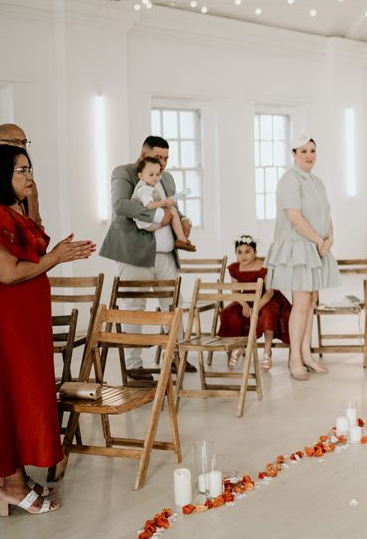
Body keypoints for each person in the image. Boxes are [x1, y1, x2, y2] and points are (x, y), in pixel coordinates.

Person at [0, 145, 95, 515]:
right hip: (8, 323)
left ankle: (16, 478)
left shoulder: (15, 210)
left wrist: (57, 250)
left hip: (25, 323)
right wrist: (56, 257)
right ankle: (12, 485)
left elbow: (34, 243)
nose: (29, 175)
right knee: (12, 394)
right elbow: (6, 272)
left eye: (30, 167)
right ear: (1, 175)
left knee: (25, 392)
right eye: (20, 170)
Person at [99, 136, 195, 380]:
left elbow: (175, 209)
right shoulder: (125, 173)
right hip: (133, 253)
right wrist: (155, 217)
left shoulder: (168, 178)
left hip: (165, 254)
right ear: (143, 155)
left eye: (166, 158)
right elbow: (121, 205)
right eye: (158, 157)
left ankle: (176, 356)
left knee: (173, 304)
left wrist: (183, 220)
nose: (162, 164)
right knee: (134, 305)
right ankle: (134, 365)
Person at [264, 135, 339, 381]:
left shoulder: (317, 181)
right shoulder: (289, 180)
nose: (309, 155)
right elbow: (295, 219)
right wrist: (319, 241)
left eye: (313, 151)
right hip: (299, 248)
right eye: (304, 151)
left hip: (316, 247)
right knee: (301, 302)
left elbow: (326, 214)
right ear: (294, 154)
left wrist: (329, 238)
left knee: (312, 299)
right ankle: (294, 356)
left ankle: (306, 353)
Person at [217, 235, 291, 372]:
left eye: (247, 252)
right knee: (229, 313)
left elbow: (270, 292)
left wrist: (256, 308)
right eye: (239, 252)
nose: (243, 256)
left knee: (268, 314)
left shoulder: (264, 266)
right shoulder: (235, 268)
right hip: (245, 299)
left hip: (265, 299)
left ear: (255, 253)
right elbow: (235, 291)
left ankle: (267, 352)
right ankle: (239, 347)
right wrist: (245, 305)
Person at [132, 156, 196, 252]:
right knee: (172, 211)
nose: (155, 178)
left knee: (172, 210)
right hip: (147, 223)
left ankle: (181, 238)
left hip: (148, 220)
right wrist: (164, 202)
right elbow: (149, 205)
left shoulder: (149, 186)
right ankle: (181, 239)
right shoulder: (144, 189)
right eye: (151, 174)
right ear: (141, 176)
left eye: (157, 174)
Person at [0, 123, 42, 227]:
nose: (21, 147)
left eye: (24, 143)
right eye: (15, 142)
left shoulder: (30, 184)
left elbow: (37, 225)